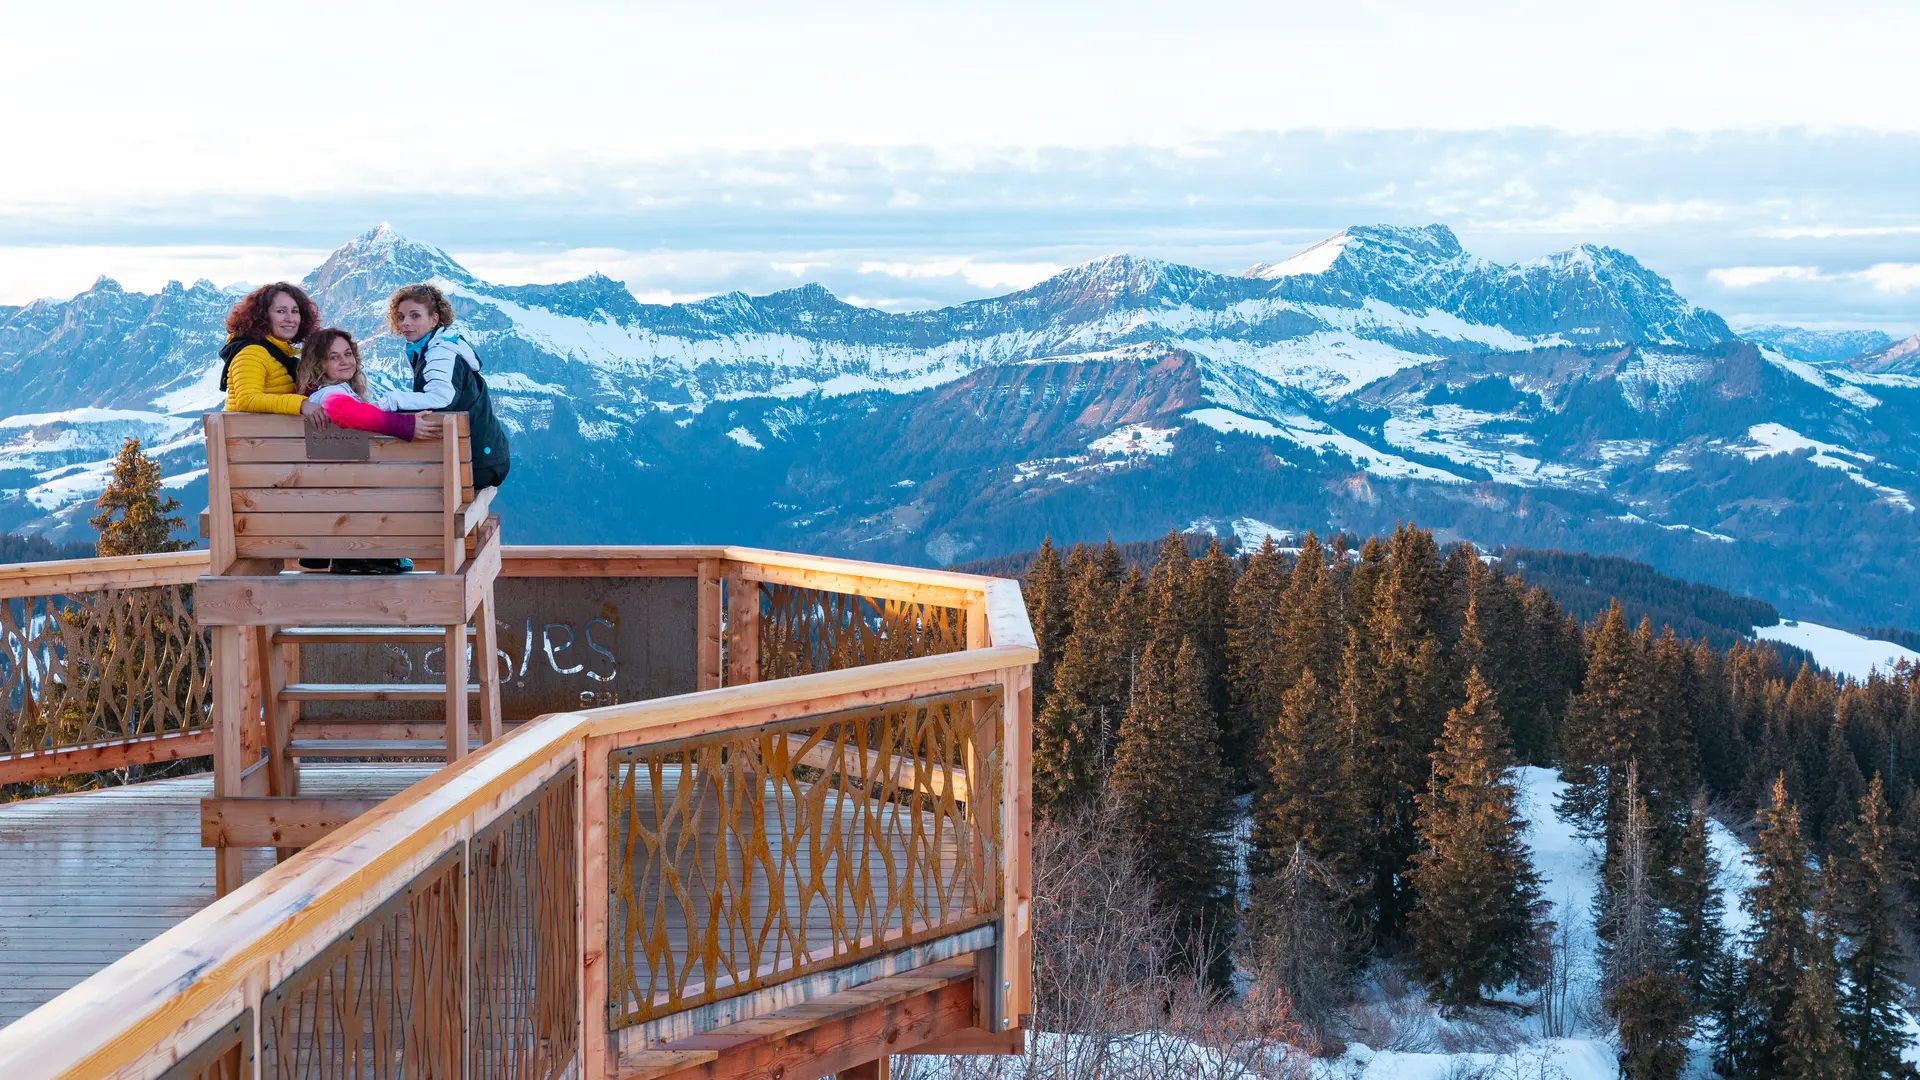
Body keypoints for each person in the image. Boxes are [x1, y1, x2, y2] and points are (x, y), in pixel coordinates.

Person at [380, 284, 510, 489]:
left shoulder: (441, 352)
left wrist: (392, 401)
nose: (405, 323)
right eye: (401, 317)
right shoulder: (434, 345)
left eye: (415, 316)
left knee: (389, 481)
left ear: (434, 319)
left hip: (478, 463)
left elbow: (442, 399)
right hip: (485, 456)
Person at [296, 328, 444, 442]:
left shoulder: (325, 391)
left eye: (348, 353)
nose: (345, 361)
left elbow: (354, 411)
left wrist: (385, 404)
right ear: (318, 365)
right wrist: (407, 425)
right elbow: (347, 411)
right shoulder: (328, 393)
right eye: (333, 357)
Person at [219, 282, 325, 424]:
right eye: (281, 311)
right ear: (262, 316)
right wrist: (301, 404)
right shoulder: (252, 352)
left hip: (264, 438)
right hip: (250, 440)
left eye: (295, 311)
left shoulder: (278, 353)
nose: (290, 318)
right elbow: (247, 400)